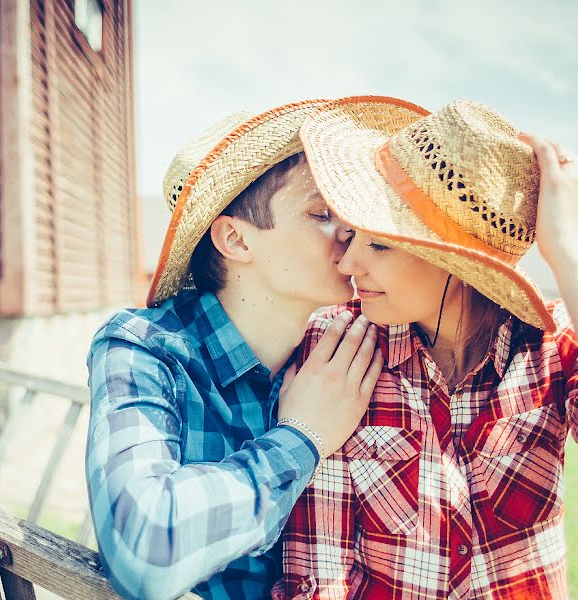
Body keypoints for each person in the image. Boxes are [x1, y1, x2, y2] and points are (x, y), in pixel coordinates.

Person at [277, 99, 578, 599]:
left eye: (379, 244)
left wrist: (573, 252)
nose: (347, 262)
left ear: (454, 262)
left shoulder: (552, 347)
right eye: (353, 234)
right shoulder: (338, 347)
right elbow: (319, 572)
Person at [86, 97, 423, 599]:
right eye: (322, 213)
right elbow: (145, 550)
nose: (350, 230)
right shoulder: (145, 348)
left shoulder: (342, 355)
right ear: (237, 241)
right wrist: (302, 437)